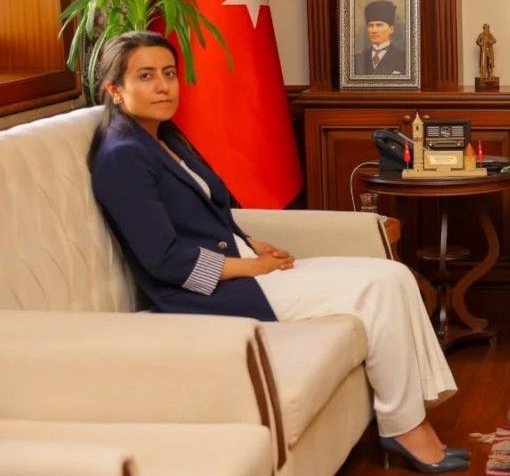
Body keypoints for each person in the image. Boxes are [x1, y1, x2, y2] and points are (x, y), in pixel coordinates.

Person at [89, 32, 466, 474]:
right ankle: (406, 429)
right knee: (381, 288)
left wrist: (250, 240)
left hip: (243, 267)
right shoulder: (122, 157)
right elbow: (166, 260)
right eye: (146, 76)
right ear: (115, 89)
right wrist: (253, 265)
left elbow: (206, 212)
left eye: (169, 74)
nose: (162, 87)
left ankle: (408, 418)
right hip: (206, 295)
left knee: (393, 275)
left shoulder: (163, 136)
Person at [354, 0, 407, 76]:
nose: (374, 30)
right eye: (370, 25)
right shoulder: (357, 59)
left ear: (391, 29)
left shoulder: (404, 58)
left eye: (379, 25)